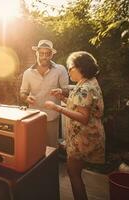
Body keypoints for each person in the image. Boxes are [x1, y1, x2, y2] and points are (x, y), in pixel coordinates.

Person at [44, 51, 105, 200]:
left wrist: (56, 107)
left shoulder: (85, 88)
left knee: (73, 173)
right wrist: (63, 98)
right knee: (76, 172)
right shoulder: (89, 82)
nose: (69, 71)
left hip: (82, 139)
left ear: (80, 68)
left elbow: (83, 118)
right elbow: (78, 106)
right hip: (87, 136)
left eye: (70, 67)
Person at [20, 40, 69, 147]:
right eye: (41, 53)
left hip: (52, 116)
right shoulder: (28, 73)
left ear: (51, 55)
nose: (44, 57)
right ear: (36, 53)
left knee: (51, 147)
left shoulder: (60, 70)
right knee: (35, 147)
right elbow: (23, 93)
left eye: (47, 54)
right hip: (33, 116)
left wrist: (61, 91)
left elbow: (67, 90)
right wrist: (26, 98)